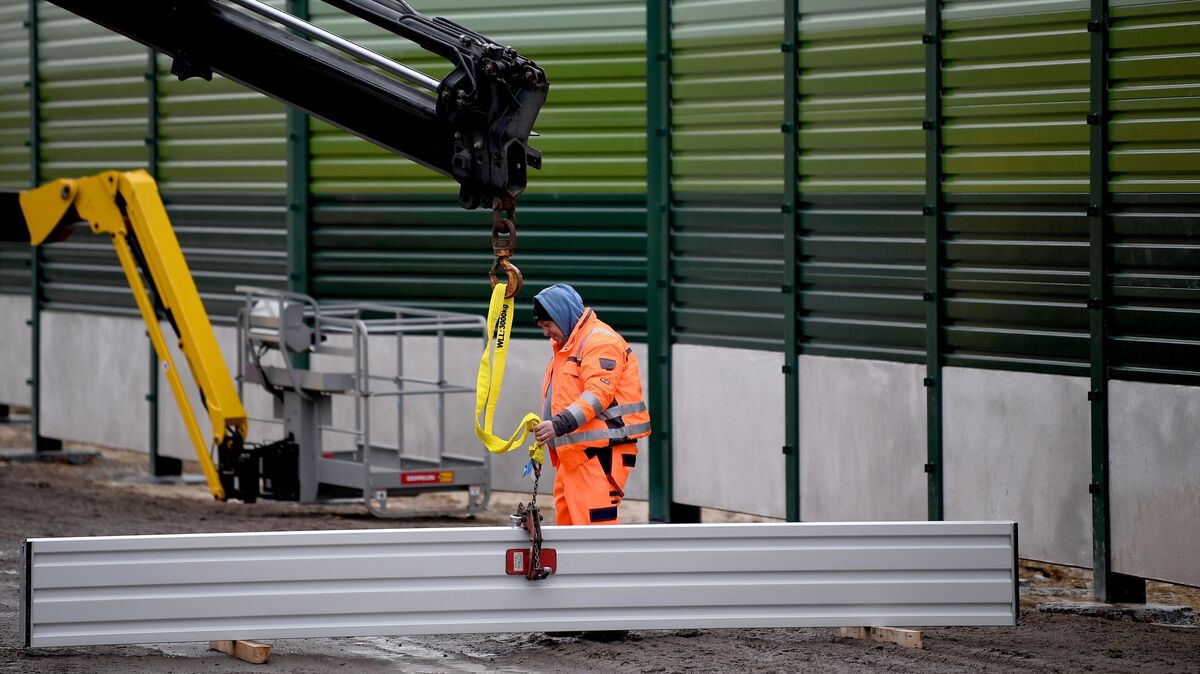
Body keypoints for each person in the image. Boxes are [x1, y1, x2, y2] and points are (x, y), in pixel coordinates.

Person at [530, 283, 650, 526]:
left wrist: (558, 424)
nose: (546, 333)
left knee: (593, 536)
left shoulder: (599, 341)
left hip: (598, 457)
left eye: (547, 325)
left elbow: (598, 394)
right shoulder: (568, 346)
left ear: (561, 317)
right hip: (576, 457)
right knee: (569, 535)